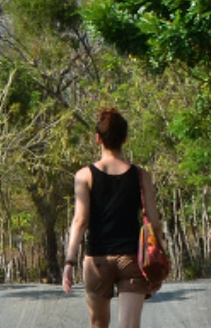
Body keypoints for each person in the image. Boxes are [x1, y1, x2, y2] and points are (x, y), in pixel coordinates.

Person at [62, 107, 165, 328]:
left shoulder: (84, 175)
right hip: (132, 260)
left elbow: (80, 220)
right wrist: (158, 266)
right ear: (125, 139)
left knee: (98, 323)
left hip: (97, 259)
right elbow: (154, 223)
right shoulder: (140, 176)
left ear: (98, 139)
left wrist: (69, 261)